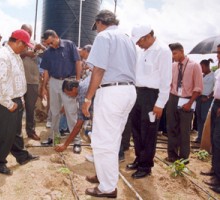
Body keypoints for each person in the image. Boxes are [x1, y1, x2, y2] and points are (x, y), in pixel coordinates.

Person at [82, 10, 137, 198]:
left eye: (96, 27)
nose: (96, 30)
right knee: (111, 139)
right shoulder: (127, 38)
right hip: (128, 90)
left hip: (112, 91)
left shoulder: (104, 36)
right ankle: (104, 176)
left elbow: (98, 69)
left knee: (102, 140)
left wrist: (88, 98)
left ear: (99, 23)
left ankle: (107, 187)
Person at [126, 24, 172, 179]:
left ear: (147, 37)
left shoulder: (163, 51)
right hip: (138, 94)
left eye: (139, 41)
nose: (138, 44)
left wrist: (160, 104)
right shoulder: (142, 51)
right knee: (137, 130)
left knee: (148, 132)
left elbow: (166, 80)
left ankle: (146, 166)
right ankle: (139, 159)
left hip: (152, 96)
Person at [0, 29, 39, 175]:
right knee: (3, 133)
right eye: (25, 45)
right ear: (18, 42)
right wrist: (9, 103)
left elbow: (16, 78)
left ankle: (22, 156)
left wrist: (20, 98)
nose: (25, 48)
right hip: (6, 101)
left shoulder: (15, 55)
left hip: (16, 99)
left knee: (16, 132)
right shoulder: (3, 56)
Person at [40, 29, 81, 153]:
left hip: (69, 82)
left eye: (51, 42)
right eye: (47, 44)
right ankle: (54, 137)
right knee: (54, 111)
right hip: (54, 82)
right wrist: (43, 87)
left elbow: (78, 62)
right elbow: (46, 71)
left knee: (71, 112)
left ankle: (77, 141)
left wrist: (77, 81)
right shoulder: (47, 53)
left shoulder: (69, 45)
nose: (50, 45)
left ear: (56, 36)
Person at [166, 43, 203, 163]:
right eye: (171, 54)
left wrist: (190, 103)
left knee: (184, 130)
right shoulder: (173, 66)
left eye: (175, 53)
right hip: (173, 98)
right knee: (171, 128)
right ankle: (172, 154)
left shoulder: (194, 66)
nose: (173, 56)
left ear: (182, 51)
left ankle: (184, 157)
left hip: (187, 99)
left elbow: (198, 87)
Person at [20, 24, 45, 141]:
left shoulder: (34, 43)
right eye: (25, 32)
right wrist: (25, 54)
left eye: (29, 33)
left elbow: (45, 56)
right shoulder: (15, 42)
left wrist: (39, 48)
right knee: (16, 108)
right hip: (18, 81)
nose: (27, 35)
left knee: (30, 108)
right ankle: (15, 133)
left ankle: (31, 132)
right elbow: (12, 56)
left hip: (33, 81)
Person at [202, 44, 220, 194]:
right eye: (218, 53)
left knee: (219, 139)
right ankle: (215, 171)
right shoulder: (218, 71)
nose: (218, 56)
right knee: (215, 139)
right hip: (216, 104)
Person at [195, 59, 215, 143]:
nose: (201, 69)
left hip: (207, 99)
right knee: (199, 118)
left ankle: (205, 138)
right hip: (199, 98)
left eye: (202, 67)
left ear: (207, 66)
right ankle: (199, 137)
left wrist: (208, 97)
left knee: (204, 118)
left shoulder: (214, 76)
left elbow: (215, 89)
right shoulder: (202, 75)